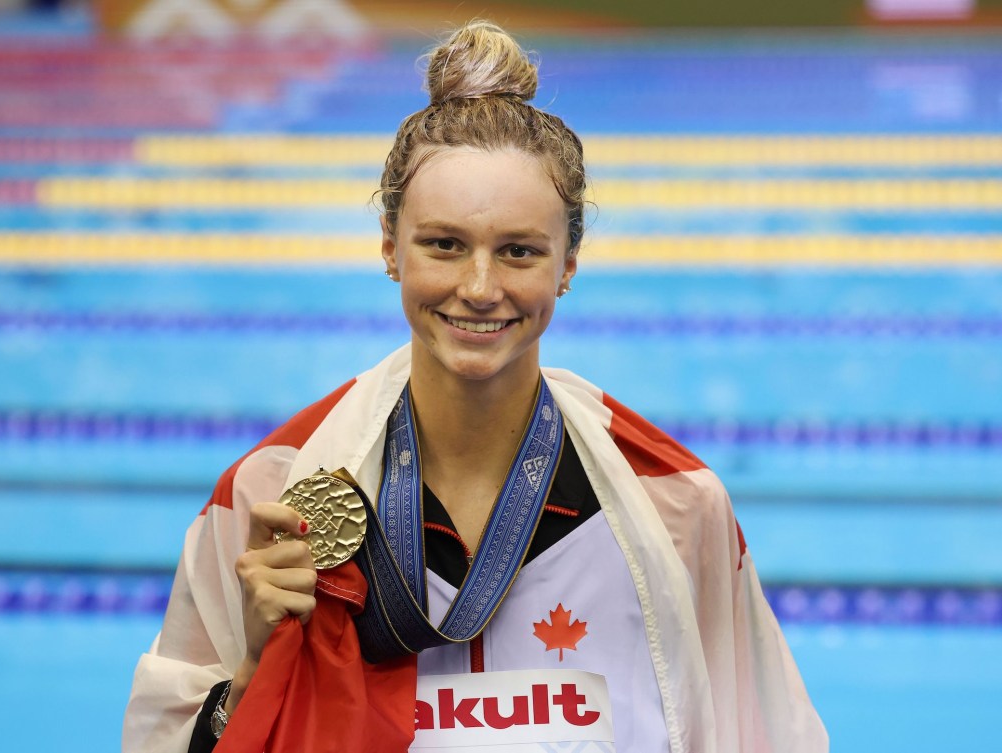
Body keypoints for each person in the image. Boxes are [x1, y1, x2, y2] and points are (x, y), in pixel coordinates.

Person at [122, 20, 827, 753]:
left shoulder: (674, 505)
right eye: (445, 244)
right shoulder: (272, 495)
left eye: (519, 251)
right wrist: (252, 669)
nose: (480, 287)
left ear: (568, 265)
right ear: (390, 247)